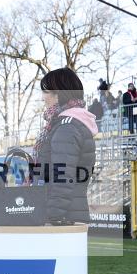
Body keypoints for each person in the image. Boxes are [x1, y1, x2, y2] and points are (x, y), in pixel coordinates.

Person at [30, 68, 97, 224]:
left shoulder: (67, 127)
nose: (43, 98)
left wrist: (51, 216)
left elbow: (62, 178)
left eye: (45, 92)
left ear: (58, 94)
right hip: (68, 216)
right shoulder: (69, 124)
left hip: (64, 219)